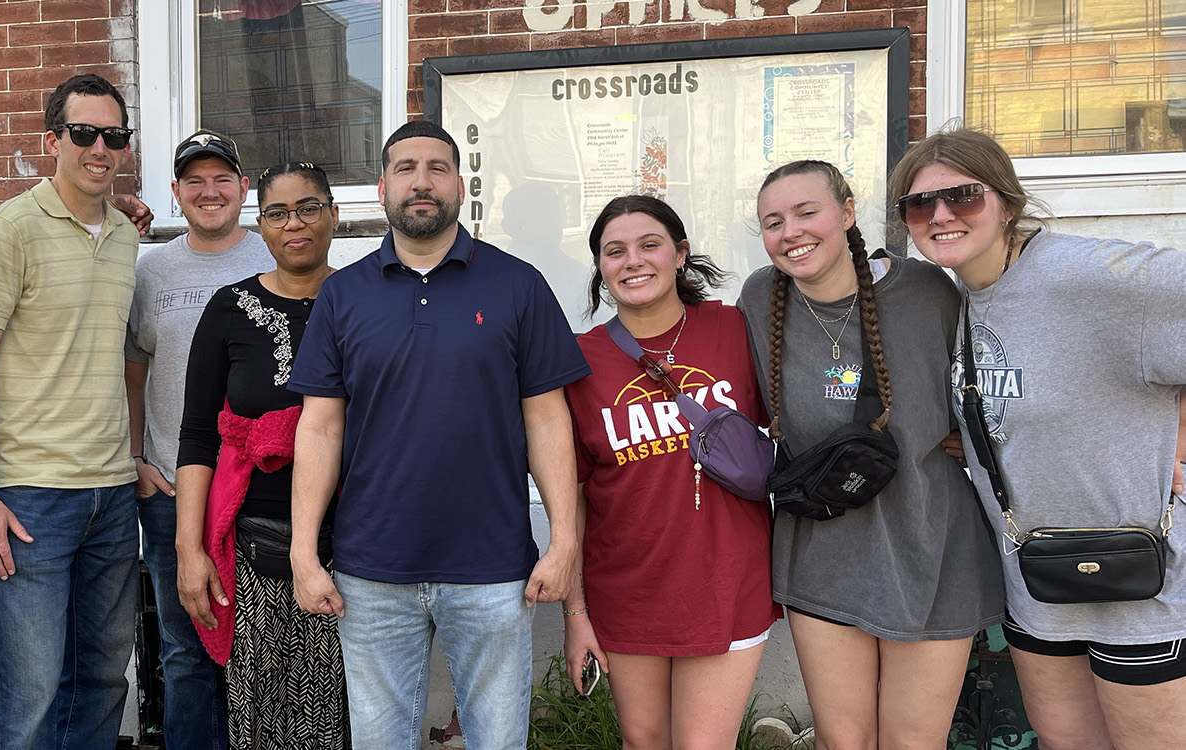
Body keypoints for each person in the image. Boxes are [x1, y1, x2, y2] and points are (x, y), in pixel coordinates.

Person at [286, 120, 590, 749]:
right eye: (405, 168)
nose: (421, 182)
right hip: (372, 568)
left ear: (459, 185)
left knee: (498, 741)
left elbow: (548, 418)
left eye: (436, 168)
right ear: (382, 187)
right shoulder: (343, 294)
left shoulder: (517, 284)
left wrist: (563, 543)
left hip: (492, 566)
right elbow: (318, 428)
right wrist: (303, 551)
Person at [889, 128, 1186, 750]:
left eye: (963, 196)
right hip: (1036, 582)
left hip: (1138, 584)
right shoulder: (961, 297)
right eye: (921, 204)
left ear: (1007, 201)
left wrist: (1179, 441)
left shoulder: (1095, 277)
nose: (941, 215)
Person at [739, 160, 1005, 750]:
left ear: (848, 212)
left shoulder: (927, 290)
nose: (792, 232)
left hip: (932, 544)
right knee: (844, 740)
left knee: (914, 742)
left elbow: (990, 382)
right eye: (773, 221)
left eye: (807, 212)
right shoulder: (760, 298)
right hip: (822, 552)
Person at [0, 73, 141, 750]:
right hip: (30, 498)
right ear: (51, 140)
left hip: (112, 498)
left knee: (101, 682)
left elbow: (118, 357)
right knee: (28, 695)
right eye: (84, 133)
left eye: (113, 136)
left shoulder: (124, 235)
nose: (100, 148)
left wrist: (135, 459)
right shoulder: (13, 229)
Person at [560, 195, 778, 748]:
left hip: (728, 580)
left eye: (649, 245)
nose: (633, 260)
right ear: (601, 269)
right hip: (628, 589)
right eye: (615, 251)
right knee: (643, 741)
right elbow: (576, 496)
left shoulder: (735, 328)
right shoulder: (578, 361)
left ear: (680, 253)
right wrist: (575, 610)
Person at [174, 161, 349, 749]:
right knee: (266, 722)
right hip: (260, 549)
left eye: (309, 208)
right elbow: (198, 434)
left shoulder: (365, 299)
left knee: (356, 713)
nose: (294, 223)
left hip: (360, 546)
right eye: (277, 212)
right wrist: (189, 548)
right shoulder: (229, 309)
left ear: (334, 214)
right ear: (261, 224)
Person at [125, 129, 271, 750]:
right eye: (194, 181)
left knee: (261, 648)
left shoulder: (274, 259)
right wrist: (134, 457)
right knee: (185, 648)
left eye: (222, 179)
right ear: (177, 193)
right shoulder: (151, 270)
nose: (209, 192)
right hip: (171, 487)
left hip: (260, 491)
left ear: (244, 188)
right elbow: (133, 368)